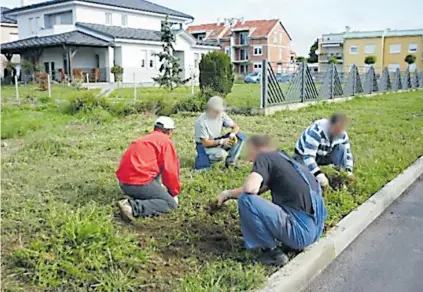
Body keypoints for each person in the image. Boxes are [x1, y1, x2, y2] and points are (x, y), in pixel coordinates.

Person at [216, 135, 327, 266]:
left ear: (256, 148)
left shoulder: (264, 156)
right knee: (251, 198)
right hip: (315, 229)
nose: (248, 157)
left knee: (246, 200)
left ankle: (272, 253)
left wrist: (253, 174)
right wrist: (227, 194)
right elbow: (260, 188)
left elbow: (250, 189)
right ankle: (289, 243)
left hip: (299, 232)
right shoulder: (286, 160)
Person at [116, 116, 181, 221]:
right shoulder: (165, 141)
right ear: (170, 131)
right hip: (138, 183)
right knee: (170, 204)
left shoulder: (145, 139)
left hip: (124, 183)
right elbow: (170, 171)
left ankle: (141, 197)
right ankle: (132, 207)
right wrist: (173, 193)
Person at [294, 113, 354, 188]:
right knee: (305, 179)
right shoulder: (316, 131)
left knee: (341, 148)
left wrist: (348, 171)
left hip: (324, 154)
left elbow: (347, 154)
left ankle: (339, 182)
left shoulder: (342, 134)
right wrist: (318, 174)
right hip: (302, 155)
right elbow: (308, 157)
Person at [194, 96, 246, 170]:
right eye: (217, 110)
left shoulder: (222, 115)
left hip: (217, 140)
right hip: (204, 147)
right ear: (210, 109)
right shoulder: (201, 122)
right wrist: (222, 141)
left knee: (240, 136)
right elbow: (205, 143)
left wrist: (232, 134)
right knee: (221, 154)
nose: (219, 113)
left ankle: (231, 162)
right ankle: (205, 159)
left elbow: (236, 126)